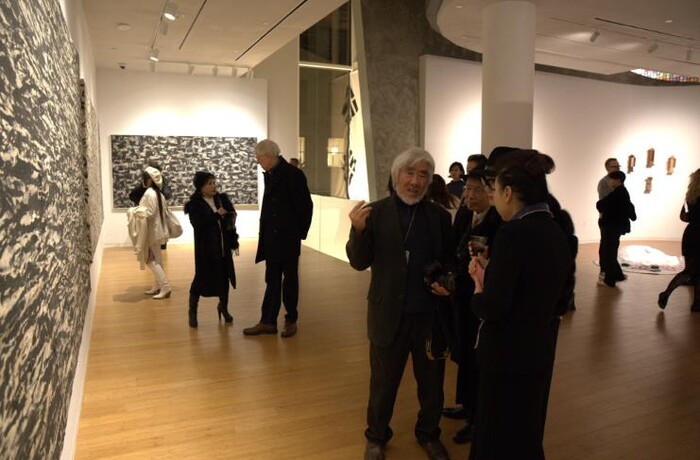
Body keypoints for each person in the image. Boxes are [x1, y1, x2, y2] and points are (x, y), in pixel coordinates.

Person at [347, 147, 454, 460]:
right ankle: (376, 437)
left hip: (429, 316)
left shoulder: (439, 216)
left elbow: (449, 260)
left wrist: (447, 280)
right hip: (387, 314)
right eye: (410, 173)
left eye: (423, 175)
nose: (415, 181)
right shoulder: (374, 213)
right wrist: (358, 231)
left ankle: (429, 434)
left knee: (432, 384)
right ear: (396, 176)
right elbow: (358, 262)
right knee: (383, 384)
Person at [467, 150, 574, 460]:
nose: (492, 197)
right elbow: (559, 297)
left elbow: (494, 306)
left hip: (506, 356)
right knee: (526, 431)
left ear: (508, 193)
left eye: (495, 189)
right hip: (539, 351)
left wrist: (478, 289)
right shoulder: (556, 230)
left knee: (495, 435)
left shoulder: (512, 234)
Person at [444, 169, 502, 444]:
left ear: (492, 193)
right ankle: (466, 405)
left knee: (477, 360)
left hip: (478, 300)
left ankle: (477, 419)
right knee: (465, 355)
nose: (469, 195)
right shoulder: (467, 214)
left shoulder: (497, 221)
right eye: (467, 188)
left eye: (477, 190)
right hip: (463, 298)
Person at [243, 139, 313, 338]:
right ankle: (268, 321)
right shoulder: (272, 173)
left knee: (289, 281)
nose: (258, 161)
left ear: (268, 155)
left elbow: (305, 207)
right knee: (272, 281)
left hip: (287, 239)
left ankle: (291, 320)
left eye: (259, 158)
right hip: (272, 240)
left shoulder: (293, 175)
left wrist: (298, 234)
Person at [184, 171, 238, 328]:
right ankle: (192, 311)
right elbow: (198, 225)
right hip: (206, 250)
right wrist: (216, 215)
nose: (214, 186)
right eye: (209, 183)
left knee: (224, 278)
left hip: (223, 248)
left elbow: (231, 220)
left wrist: (233, 241)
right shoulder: (195, 204)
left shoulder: (222, 199)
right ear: (201, 187)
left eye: (214, 182)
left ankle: (223, 308)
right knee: (200, 279)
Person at [658, 168, 700, 312]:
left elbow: (684, 217)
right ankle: (665, 294)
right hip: (697, 235)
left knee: (692, 270)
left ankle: (697, 303)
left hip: (691, 234)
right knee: (692, 271)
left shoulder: (691, 196)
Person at [596, 170, 636, 287]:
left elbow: (601, 205)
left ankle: (610, 280)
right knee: (610, 251)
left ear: (617, 180)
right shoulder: (621, 192)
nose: (610, 182)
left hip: (611, 227)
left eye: (612, 180)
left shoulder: (618, 193)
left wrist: (602, 205)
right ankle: (618, 275)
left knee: (609, 252)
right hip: (614, 226)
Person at [139, 166, 172, 299]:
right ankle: (158, 286)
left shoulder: (149, 193)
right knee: (157, 259)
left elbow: (150, 213)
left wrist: (136, 212)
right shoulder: (159, 194)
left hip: (152, 231)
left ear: (149, 180)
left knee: (150, 259)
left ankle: (165, 286)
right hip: (158, 230)